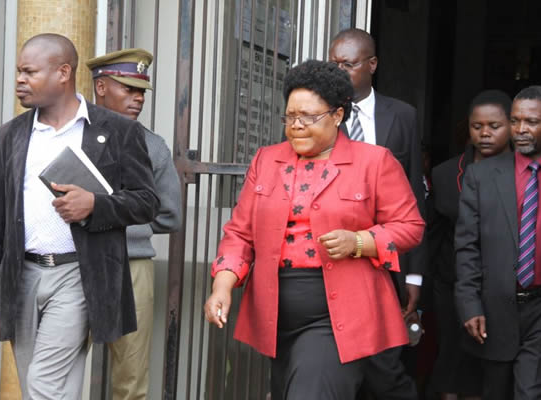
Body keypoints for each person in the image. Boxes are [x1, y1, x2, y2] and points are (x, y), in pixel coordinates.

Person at [203, 60, 424, 400]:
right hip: (274, 314)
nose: (297, 126)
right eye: (290, 116)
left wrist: (360, 241)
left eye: (308, 117)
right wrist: (222, 286)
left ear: (337, 115)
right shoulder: (266, 160)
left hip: (338, 316)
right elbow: (240, 234)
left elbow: (410, 227)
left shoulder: (374, 161)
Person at [0, 34, 159, 399]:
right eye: (19, 72)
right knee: (45, 387)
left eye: (29, 72)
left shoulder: (118, 131)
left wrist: (96, 204)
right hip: (21, 276)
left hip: (78, 276)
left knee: (44, 383)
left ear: (63, 73)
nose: (19, 80)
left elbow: (147, 202)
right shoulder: (10, 136)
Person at [455, 86, 541, 399]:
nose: (520, 130)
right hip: (493, 308)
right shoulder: (480, 176)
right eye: (515, 120)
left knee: (532, 392)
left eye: (531, 122)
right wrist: (469, 303)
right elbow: (467, 246)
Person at [329, 28, 425, 399]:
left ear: (372, 65)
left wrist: (414, 275)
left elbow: (415, 199)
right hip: (332, 255)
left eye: (348, 65)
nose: (339, 73)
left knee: (384, 369)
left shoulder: (402, 116)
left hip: (386, 261)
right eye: (333, 64)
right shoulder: (318, 115)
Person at [86, 48, 181, 400]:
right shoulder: (67, 135)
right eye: (127, 88)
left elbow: (170, 214)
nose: (137, 98)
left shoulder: (152, 145)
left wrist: (119, 223)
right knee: (58, 366)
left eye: (141, 91)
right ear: (100, 87)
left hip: (131, 264)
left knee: (131, 378)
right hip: (70, 260)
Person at [429, 89, 513, 400]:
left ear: (512, 125)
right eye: (478, 127)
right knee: (451, 358)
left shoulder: (526, 173)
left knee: (489, 366)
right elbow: (432, 236)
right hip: (451, 284)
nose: (485, 134)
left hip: (504, 288)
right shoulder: (445, 173)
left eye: (494, 126)